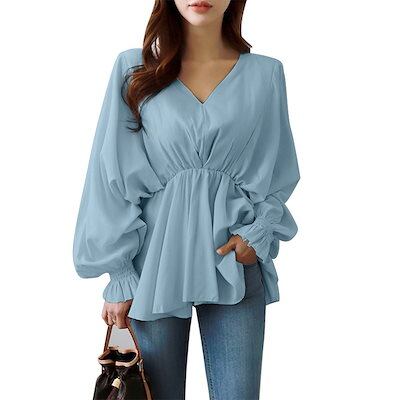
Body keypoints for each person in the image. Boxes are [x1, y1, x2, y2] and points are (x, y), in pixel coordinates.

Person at [72, 0, 301, 398]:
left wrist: (258, 233)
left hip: (232, 262)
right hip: (154, 266)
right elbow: (110, 174)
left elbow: (277, 168)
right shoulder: (134, 69)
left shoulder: (265, 74)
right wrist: (119, 275)